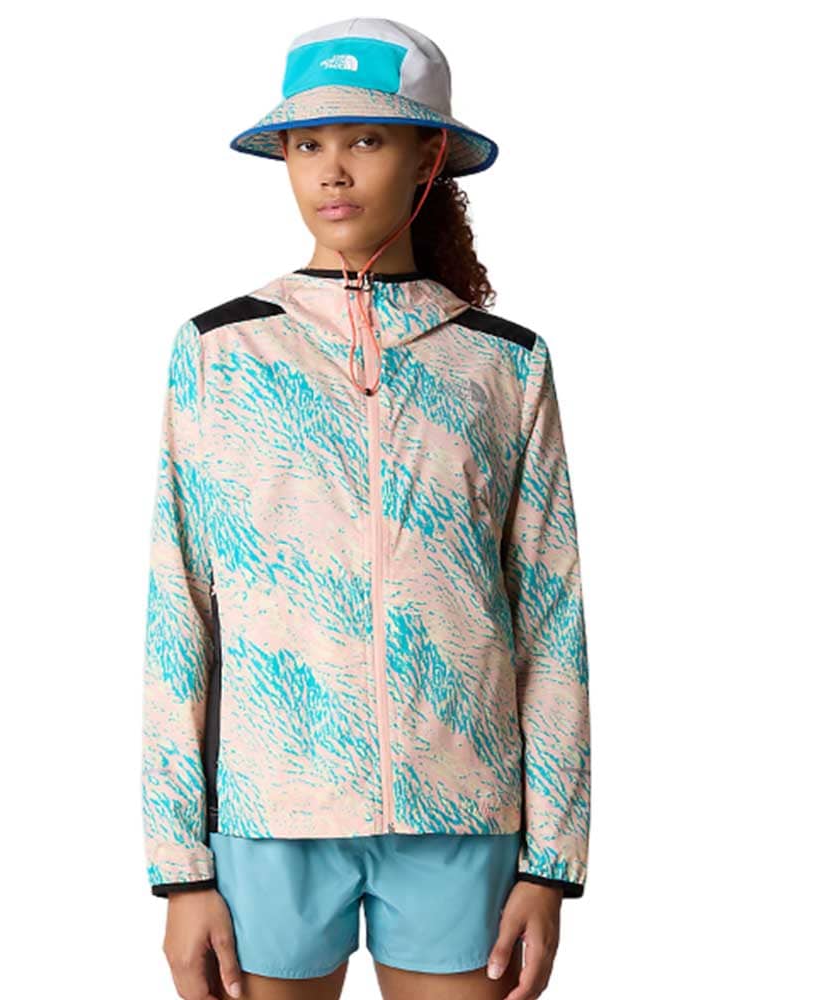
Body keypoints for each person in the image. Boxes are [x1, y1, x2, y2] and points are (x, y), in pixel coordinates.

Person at [141, 17, 591, 1000]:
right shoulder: (220, 352)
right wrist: (180, 868)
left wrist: (551, 862)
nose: (332, 171)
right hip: (271, 812)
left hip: (461, 810)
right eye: (308, 144)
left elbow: (552, 618)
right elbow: (180, 608)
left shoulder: (504, 364)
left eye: (367, 139)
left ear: (429, 157)